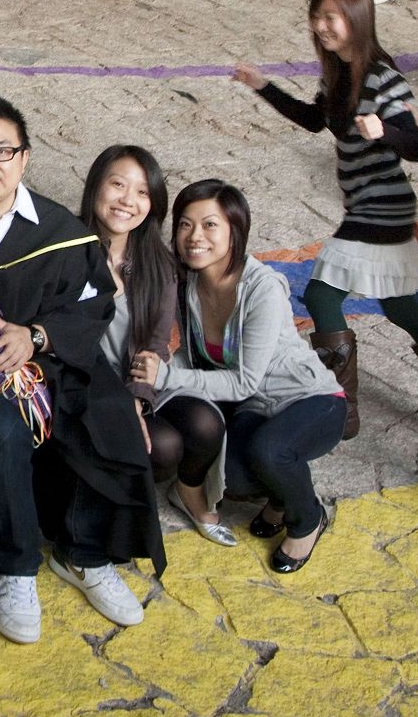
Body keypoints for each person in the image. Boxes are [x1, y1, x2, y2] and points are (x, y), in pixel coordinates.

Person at [0, 95, 165, 644]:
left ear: (24, 157)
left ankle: (84, 553)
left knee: (104, 409)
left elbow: (93, 305)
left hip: (50, 360)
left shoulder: (60, 229)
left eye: (2, 150)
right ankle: (15, 568)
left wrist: (37, 336)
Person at [234, 0, 418, 443]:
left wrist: (383, 132)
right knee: (398, 303)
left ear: (357, 18)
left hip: (382, 206)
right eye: (317, 16)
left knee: (322, 296)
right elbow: (316, 120)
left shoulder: (382, 77)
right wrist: (263, 86)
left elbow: (415, 145)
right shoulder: (340, 73)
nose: (321, 25)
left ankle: (340, 412)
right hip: (367, 205)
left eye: (331, 17)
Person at [132, 180, 346, 574]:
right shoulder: (190, 282)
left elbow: (243, 381)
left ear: (235, 230)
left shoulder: (261, 288)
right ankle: (280, 495)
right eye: (185, 224)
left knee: (269, 451)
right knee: (229, 479)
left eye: (210, 225)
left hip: (311, 399)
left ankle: (307, 518)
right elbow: (196, 355)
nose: (195, 236)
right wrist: (147, 382)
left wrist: (166, 377)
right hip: (255, 407)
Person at [79, 146, 234, 548]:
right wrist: (119, 403)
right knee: (163, 446)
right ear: (95, 185)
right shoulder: (66, 249)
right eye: (118, 184)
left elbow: (154, 342)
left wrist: (137, 398)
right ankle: (110, 507)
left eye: (142, 192)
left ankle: (188, 493)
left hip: (140, 378)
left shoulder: (157, 263)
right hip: (88, 384)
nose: (128, 200)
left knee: (205, 424)